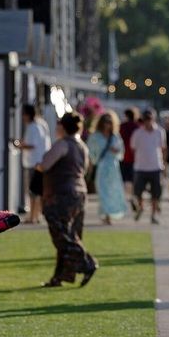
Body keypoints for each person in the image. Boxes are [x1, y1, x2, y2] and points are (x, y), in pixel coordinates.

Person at [36, 112, 97, 287]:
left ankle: (87, 263)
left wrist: (38, 167)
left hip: (61, 194)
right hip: (79, 193)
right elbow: (86, 169)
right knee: (71, 234)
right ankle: (61, 276)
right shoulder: (82, 146)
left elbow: (44, 165)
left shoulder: (62, 144)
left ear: (62, 127)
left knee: (61, 235)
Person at [88, 111, 127, 224]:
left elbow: (121, 152)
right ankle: (105, 214)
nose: (107, 124)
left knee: (113, 190)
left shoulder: (115, 136)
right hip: (102, 166)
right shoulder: (96, 136)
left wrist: (115, 151)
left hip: (113, 167)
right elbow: (91, 152)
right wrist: (91, 164)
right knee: (103, 190)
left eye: (110, 122)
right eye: (105, 122)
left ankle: (110, 213)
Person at [14, 104, 50, 224]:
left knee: (32, 191)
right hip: (40, 161)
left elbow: (32, 145)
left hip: (33, 163)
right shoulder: (41, 125)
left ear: (28, 115)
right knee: (38, 190)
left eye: (23, 114)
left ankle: (32, 216)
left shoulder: (32, 127)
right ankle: (37, 215)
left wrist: (19, 145)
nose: (22, 117)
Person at [129, 109, 166, 224]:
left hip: (156, 166)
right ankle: (141, 207)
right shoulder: (137, 133)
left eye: (149, 119)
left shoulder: (160, 131)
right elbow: (133, 148)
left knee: (156, 193)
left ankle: (153, 215)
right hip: (140, 167)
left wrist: (164, 164)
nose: (147, 121)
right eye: (145, 119)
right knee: (138, 192)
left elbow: (162, 148)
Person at [119, 107, 139, 206]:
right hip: (135, 157)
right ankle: (132, 197)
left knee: (124, 180)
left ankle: (124, 198)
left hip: (123, 156)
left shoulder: (121, 126)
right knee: (133, 179)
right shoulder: (138, 127)